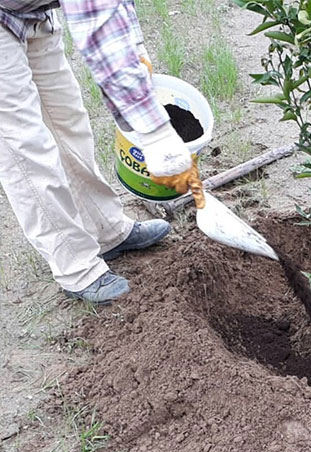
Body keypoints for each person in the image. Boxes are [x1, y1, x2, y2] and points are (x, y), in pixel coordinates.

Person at [0, 0, 197, 303]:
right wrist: (156, 134)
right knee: (26, 148)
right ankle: (75, 267)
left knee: (68, 120)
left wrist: (137, 49)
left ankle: (106, 229)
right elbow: (101, 33)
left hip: (28, 9)